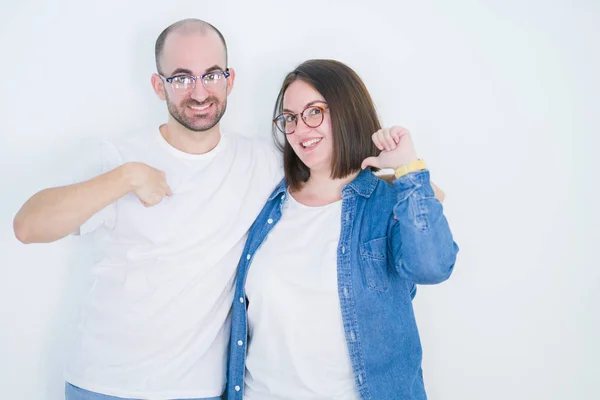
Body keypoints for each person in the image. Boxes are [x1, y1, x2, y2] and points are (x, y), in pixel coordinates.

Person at [13, 19, 282, 400]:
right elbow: (27, 226)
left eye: (212, 75)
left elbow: (330, 177)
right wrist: (124, 178)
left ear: (230, 80)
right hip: (104, 384)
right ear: (159, 86)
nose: (200, 91)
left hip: (198, 390)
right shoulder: (121, 157)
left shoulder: (262, 161)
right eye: (182, 78)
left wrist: (396, 167)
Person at [226, 59, 459, 400]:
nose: (300, 129)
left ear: (347, 110)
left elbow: (433, 266)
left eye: (314, 111)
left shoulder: (387, 202)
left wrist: (409, 170)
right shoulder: (270, 203)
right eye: (289, 118)